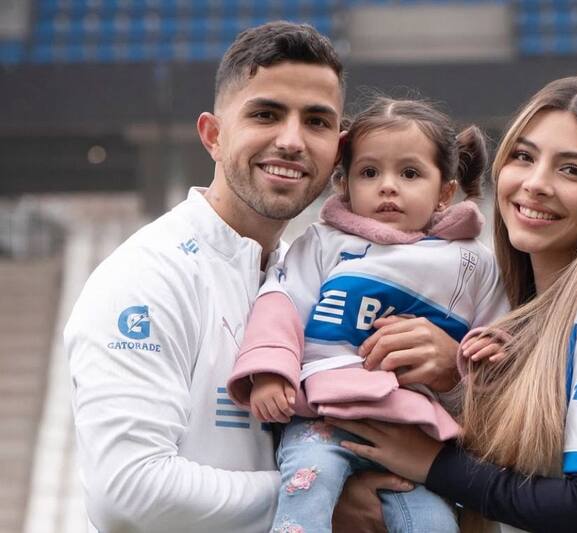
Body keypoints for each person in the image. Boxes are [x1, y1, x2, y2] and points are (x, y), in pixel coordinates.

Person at [64, 22, 449, 533]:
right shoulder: (147, 276)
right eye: (266, 114)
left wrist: (451, 368)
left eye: (315, 121)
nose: (291, 141)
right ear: (214, 136)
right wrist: (319, 496)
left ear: (337, 148)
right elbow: (129, 491)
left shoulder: (318, 275)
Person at [329, 77, 577, 533]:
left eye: (572, 170)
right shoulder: (517, 306)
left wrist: (434, 464)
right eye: (524, 156)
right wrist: (453, 381)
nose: (535, 184)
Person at [226, 97, 509, 533]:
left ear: (445, 191)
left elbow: (495, 346)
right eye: (369, 172)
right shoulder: (322, 244)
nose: (387, 186)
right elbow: (279, 304)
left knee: (435, 524)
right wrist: (268, 371)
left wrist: (464, 365)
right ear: (345, 185)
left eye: (410, 173)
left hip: (415, 435)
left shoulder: (473, 262)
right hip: (323, 417)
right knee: (307, 494)